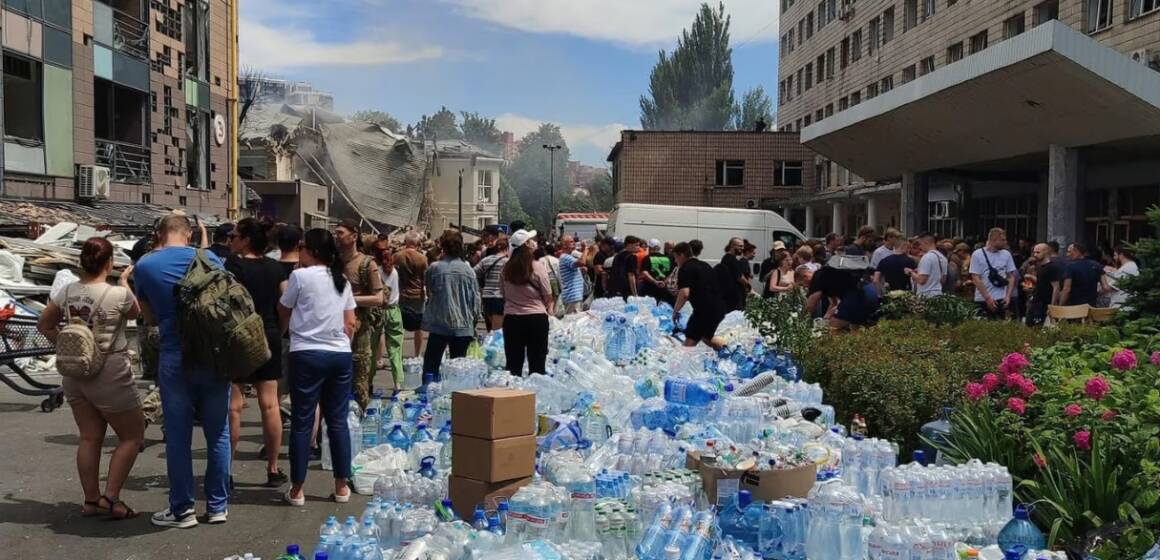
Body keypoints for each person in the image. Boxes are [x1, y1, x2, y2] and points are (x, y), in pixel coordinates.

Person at [133, 215, 231, 528]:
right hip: (215, 356)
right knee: (218, 432)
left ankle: (182, 509)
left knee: (178, 435)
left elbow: (148, 319)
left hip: (176, 357)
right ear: (188, 234)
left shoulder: (145, 266)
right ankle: (217, 506)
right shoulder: (211, 258)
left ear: (159, 234)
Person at [36, 237, 143, 520]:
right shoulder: (119, 295)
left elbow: (44, 324)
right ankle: (111, 497)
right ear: (109, 263)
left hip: (75, 373)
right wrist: (124, 285)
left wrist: (67, 344)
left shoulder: (67, 291)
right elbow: (136, 314)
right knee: (131, 436)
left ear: (81, 262)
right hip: (111, 372)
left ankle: (91, 500)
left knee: (89, 437)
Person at [277, 229, 356, 507]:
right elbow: (350, 322)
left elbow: (284, 310)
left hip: (307, 352)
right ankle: (342, 486)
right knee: (337, 422)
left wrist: (285, 331)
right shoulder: (342, 280)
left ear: (310, 250)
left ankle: (297, 489)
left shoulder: (299, 276)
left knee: (302, 421)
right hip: (339, 354)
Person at [224, 218, 287, 488]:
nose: (230, 240)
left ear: (246, 239)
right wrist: (278, 330)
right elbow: (285, 305)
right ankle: (273, 468)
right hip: (269, 334)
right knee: (270, 405)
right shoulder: (276, 268)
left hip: (238, 337)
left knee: (234, 407)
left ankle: (226, 470)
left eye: (234, 236)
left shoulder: (233, 267)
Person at [334, 220, 384, 410]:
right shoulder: (333, 261)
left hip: (360, 331)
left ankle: (360, 418)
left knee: (359, 380)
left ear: (354, 236)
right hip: (334, 329)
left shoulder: (366, 264)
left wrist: (349, 300)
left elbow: (378, 298)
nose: (336, 236)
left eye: (340, 232)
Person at [421, 230, 480, 380]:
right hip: (463, 326)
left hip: (439, 324)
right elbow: (476, 300)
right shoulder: (469, 271)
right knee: (458, 371)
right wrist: (473, 321)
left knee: (431, 366)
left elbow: (429, 291)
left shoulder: (434, 268)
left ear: (443, 247)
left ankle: (429, 396)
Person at [501, 230, 554, 375]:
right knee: (537, 365)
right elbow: (547, 294)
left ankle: (514, 396)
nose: (534, 242)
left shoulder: (506, 268)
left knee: (513, 365)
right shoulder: (537, 266)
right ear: (527, 244)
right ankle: (534, 395)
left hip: (512, 319)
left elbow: (504, 293)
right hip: (536, 318)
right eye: (531, 239)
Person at [672, 241, 725, 350]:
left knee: (689, 343)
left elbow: (684, 293)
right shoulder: (705, 265)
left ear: (681, 255)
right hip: (719, 308)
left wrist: (675, 311)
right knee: (706, 338)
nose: (675, 261)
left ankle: (682, 364)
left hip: (704, 311)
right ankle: (729, 352)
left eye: (675, 257)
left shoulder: (685, 268)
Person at [370, 240, 405, 390]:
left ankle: (369, 381)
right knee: (395, 349)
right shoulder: (395, 272)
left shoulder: (375, 271)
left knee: (372, 347)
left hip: (377, 311)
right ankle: (398, 383)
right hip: (393, 310)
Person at [969, 228, 1018, 319]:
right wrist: (987, 298)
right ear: (994, 240)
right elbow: (976, 277)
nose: (1005, 242)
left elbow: (1011, 276)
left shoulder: (1006, 254)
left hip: (1001, 298)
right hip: (982, 298)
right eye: (1002, 240)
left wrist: (1008, 296)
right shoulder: (977, 254)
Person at [394, 232, 428, 358]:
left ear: (406, 242)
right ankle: (417, 353)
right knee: (419, 327)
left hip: (401, 294)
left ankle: (398, 353)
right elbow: (425, 278)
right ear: (417, 243)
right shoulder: (422, 258)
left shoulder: (397, 256)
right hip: (417, 295)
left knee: (399, 326)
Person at [474, 233, 510, 331]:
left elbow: (473, 273)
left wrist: (481, 288)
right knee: (497, 331)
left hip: (486, 297)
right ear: (506, 248)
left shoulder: (485, 260)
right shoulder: (508, 262)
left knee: (490, 329)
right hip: (500, 297)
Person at [1025, 242, 1062, 325]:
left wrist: (1052, 305)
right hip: (1035, 301)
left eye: (1038, 252)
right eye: (1034, 252)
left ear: (1046, 252)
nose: (1035, 254)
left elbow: (1056, 287)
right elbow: (1041, 282)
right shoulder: (1039, 267)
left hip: (1043, 303)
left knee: (1037, 327)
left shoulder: (1052, 267)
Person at [907, 232, 947, 298]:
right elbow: (943, 279)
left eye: (920, 244)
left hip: (926, 296)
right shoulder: (942, 258)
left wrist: (910, 272)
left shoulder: (927, 257)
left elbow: (921, 280)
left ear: (926, 243)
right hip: (938, 294)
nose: (920, 247)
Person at [715, 237, 749, 312]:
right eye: (740, 246)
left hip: (733, 298)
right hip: (733, 300)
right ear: (732, 246)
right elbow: (740, 277)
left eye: (743, 246)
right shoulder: (730, 259)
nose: (742, 248)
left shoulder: (730, 259)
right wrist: (748, 287)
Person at [557, 235, 587, 313]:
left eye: (573, 241)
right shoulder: (565, 257)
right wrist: (586, 249)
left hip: (574, 296)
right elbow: (582, 262)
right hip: (573, 296)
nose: (573, 243)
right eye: (570, 242)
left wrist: (580, 270)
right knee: (573, 321)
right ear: (564, 245)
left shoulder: (568, 257)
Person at [639, 239, 673, 304]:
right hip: (663, 289)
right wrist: (664, 282)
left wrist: (655, 282)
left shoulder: (647, 258)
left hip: (649, 288)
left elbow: (645, 273)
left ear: (650, 248)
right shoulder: (667, 258)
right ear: (659, 248)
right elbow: (671, 273)